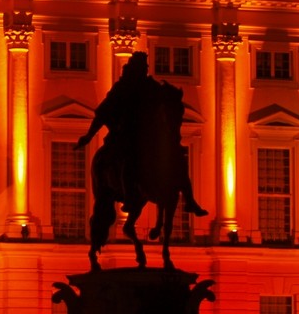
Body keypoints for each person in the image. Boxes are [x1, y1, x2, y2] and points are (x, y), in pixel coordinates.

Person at [76, 51, 207, 216]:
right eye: (141, 68)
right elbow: (103, 112)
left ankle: (190, 200)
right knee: (130, 160)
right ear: (134, 69)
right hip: (126, 135)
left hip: (150, 136)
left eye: (146, 68)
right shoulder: (123, 88)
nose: (145, 71)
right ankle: (130, 197)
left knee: (178, 160)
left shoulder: (151, 86)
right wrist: (89, 136)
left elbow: (166, 99)